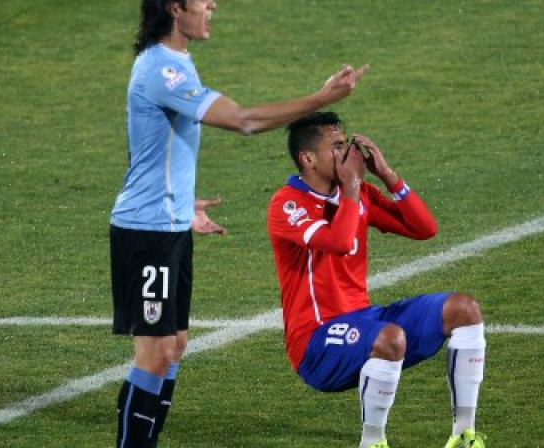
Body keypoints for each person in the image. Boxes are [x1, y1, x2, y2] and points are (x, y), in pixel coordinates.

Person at [109, 1, 369, 447]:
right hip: (145, 233)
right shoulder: (161, 70)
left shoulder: (176, 63)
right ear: (175, 7)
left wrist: (181, 202)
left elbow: (151, 149)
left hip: (168, 225)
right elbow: (244, 121)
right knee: (153, 355)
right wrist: (322, 99)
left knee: (174, 348)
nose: (212, 5)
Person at [267, 112, 487, 448]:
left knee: (464, 309)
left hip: (364, 320)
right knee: (390, 338)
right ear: (308, 158)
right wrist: (353, 188)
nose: (349, 154)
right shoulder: (287, 204)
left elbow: (424, 229)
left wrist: (387, 175)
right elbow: (339, 243)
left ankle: (465, 435)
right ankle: (372, 443)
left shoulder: (359, 194)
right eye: (337, 147)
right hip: (315, 342)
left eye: (347, 144)